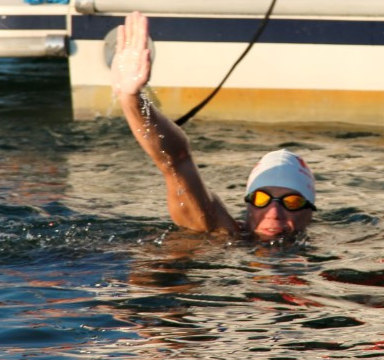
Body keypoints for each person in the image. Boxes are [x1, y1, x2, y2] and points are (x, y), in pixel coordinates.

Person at [111, 12, 318, 241]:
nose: (274, 213)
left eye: (292, 202)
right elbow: (176, 160)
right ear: (249, 205)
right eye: (261, 198)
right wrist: (131, 98)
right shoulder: (221, 232)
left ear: (310, 213)